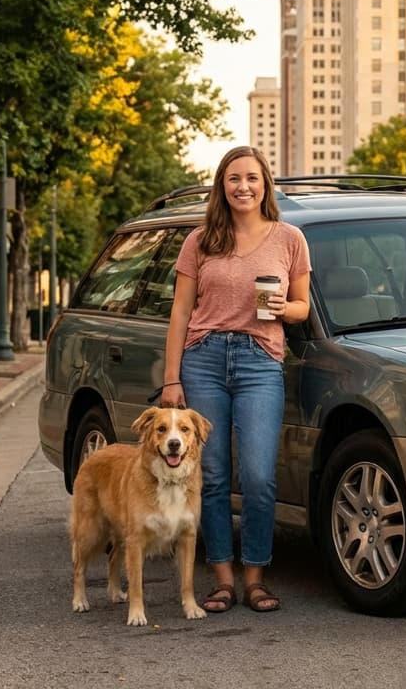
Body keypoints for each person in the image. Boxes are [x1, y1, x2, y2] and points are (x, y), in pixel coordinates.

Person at [161, 146, 311, 614]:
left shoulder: (290, 239)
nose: (243, 186)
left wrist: (286, 309)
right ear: (221, 187)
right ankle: (222, 579)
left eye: (251, 178)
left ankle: (256, 578)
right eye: (233, 178)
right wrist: (171, 380)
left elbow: (303, 306)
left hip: (260, 360)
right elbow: (181, 312)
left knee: (260, 476)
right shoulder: (201, 241)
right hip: (203, 359)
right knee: (214, 477)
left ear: (266, 184)